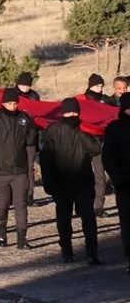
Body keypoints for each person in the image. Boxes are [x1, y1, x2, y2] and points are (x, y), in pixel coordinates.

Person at [40, 98, 103, 265]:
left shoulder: (84, 129)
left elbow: (96, 149)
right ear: (62, 113)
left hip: (83, 182)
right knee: (64, 219)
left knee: (88, 218)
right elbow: (46, 159)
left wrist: (83, 132)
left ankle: (92, 253)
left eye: (75, 113)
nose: (72, 116)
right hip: (62, 183)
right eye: (68, 113)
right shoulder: (53, 131)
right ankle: (67, 251)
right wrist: (49, 183)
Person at [0, 88, 37, 249]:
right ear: (3, 103)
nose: (13, 106)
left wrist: (32, 128)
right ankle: (1, 229)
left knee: (20, 204)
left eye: (15, 103)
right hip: (1, 171)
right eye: (9, 104)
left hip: (19, 169)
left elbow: (30, 142)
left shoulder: (23, 119)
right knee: (2, 204)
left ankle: (22, 238)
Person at [102, 93, 130, 274]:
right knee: (128, 223)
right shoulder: (115, 129)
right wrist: (117, 179)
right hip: (125, 184)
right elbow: (108, 157)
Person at [80, 74, 115, 216]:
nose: (100, 89)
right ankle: (82, 203)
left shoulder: (106, 100)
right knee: (83, 174)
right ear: (90, 85)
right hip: (83, 140)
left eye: (101, 86)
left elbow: (113, 115)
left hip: (100, 141)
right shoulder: (82, 100)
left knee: (100, 176)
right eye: (97, 86)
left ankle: (99, 207)